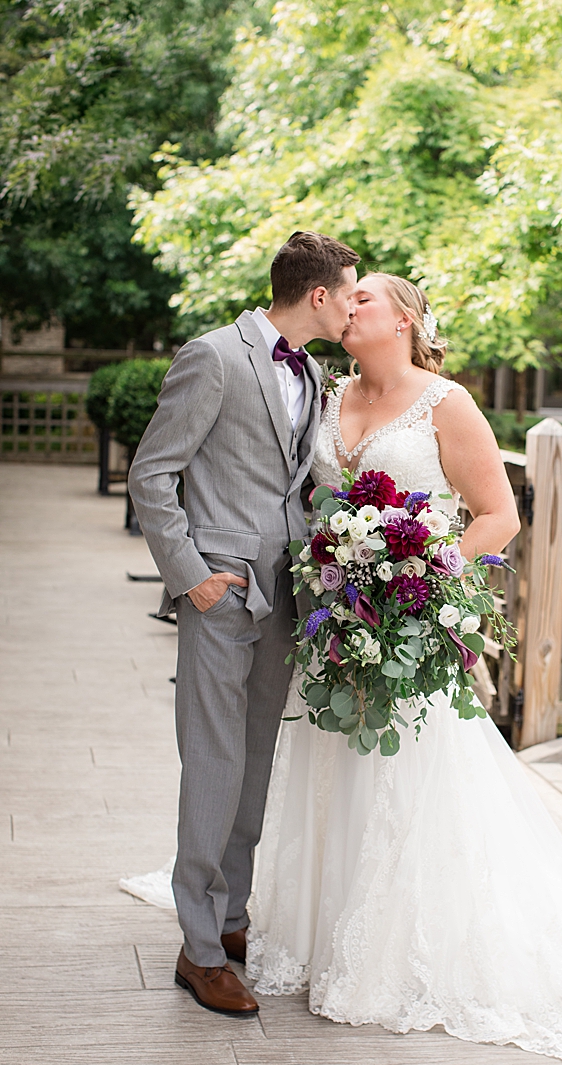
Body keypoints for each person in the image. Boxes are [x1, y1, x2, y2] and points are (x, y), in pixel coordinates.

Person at [243, 272, 562, 1059]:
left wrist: (417, 568)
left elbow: (501, 514)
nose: (349, 309)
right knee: (332, 764)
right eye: (344, 301)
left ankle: (401, 946)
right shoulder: (323, 394)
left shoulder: (446, 403)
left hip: (410, 618)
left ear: (407, 319)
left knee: (408, 780)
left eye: (365, 301)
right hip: (335, 620)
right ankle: (326, 932)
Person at [129, 231, 360, 1017]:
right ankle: (197, 953)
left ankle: (229, 920)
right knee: (215, 761)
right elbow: (152, 473)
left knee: (255, 761)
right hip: (222, 595)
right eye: (349, 292)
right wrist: (192, 578)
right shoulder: (213, 356)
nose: (355, 305)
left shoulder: (317, 374)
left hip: (288, 594)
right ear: (318, 295)